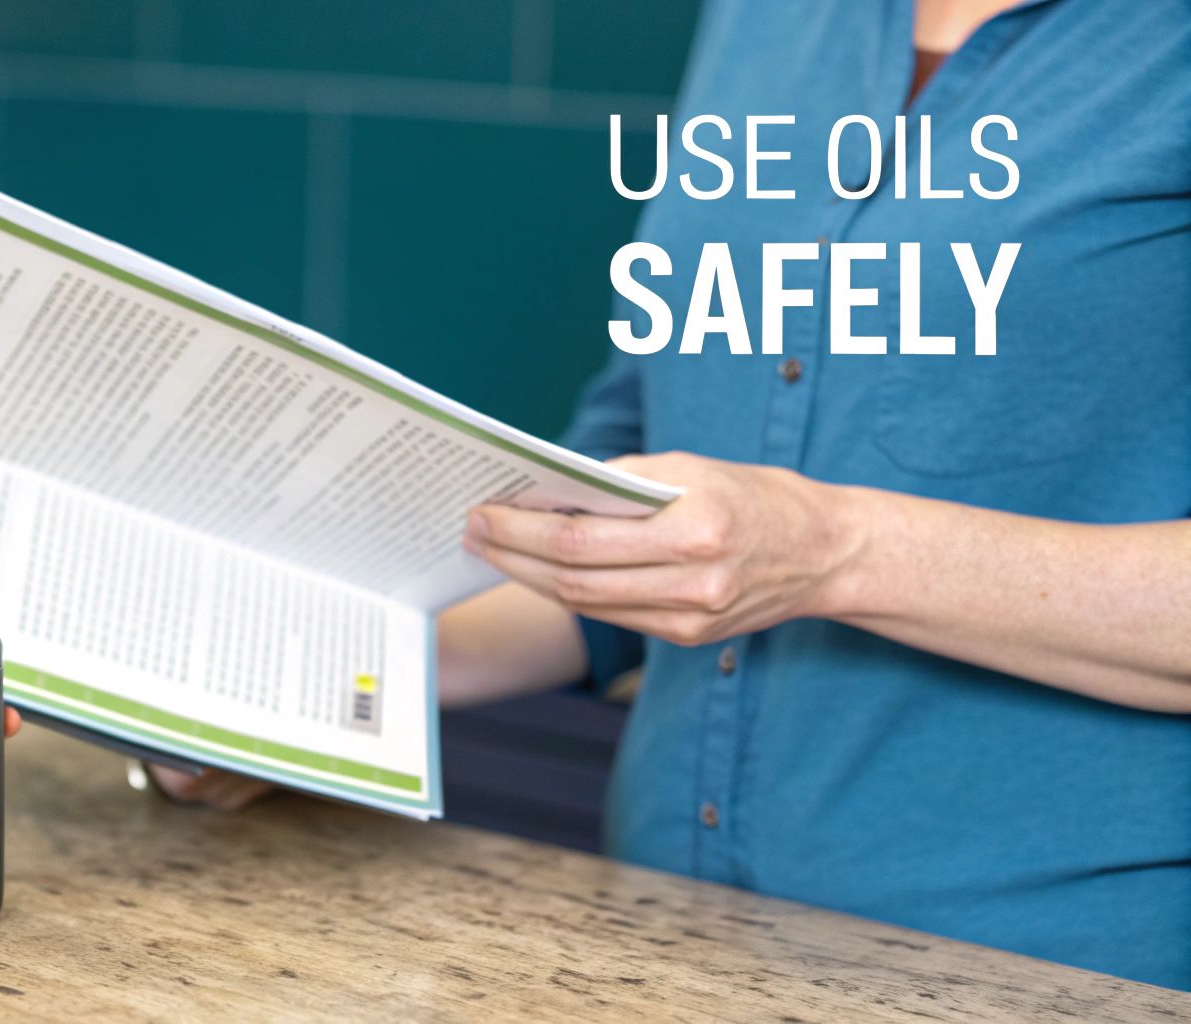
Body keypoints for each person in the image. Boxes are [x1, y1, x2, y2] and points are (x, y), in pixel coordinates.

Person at [154, 0, 1191, 990]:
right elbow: (624, 519)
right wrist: (299, 689)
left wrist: (832, 549)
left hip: (1048, 974)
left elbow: (775, 548)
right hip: (654, 942)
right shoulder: (767, 14)